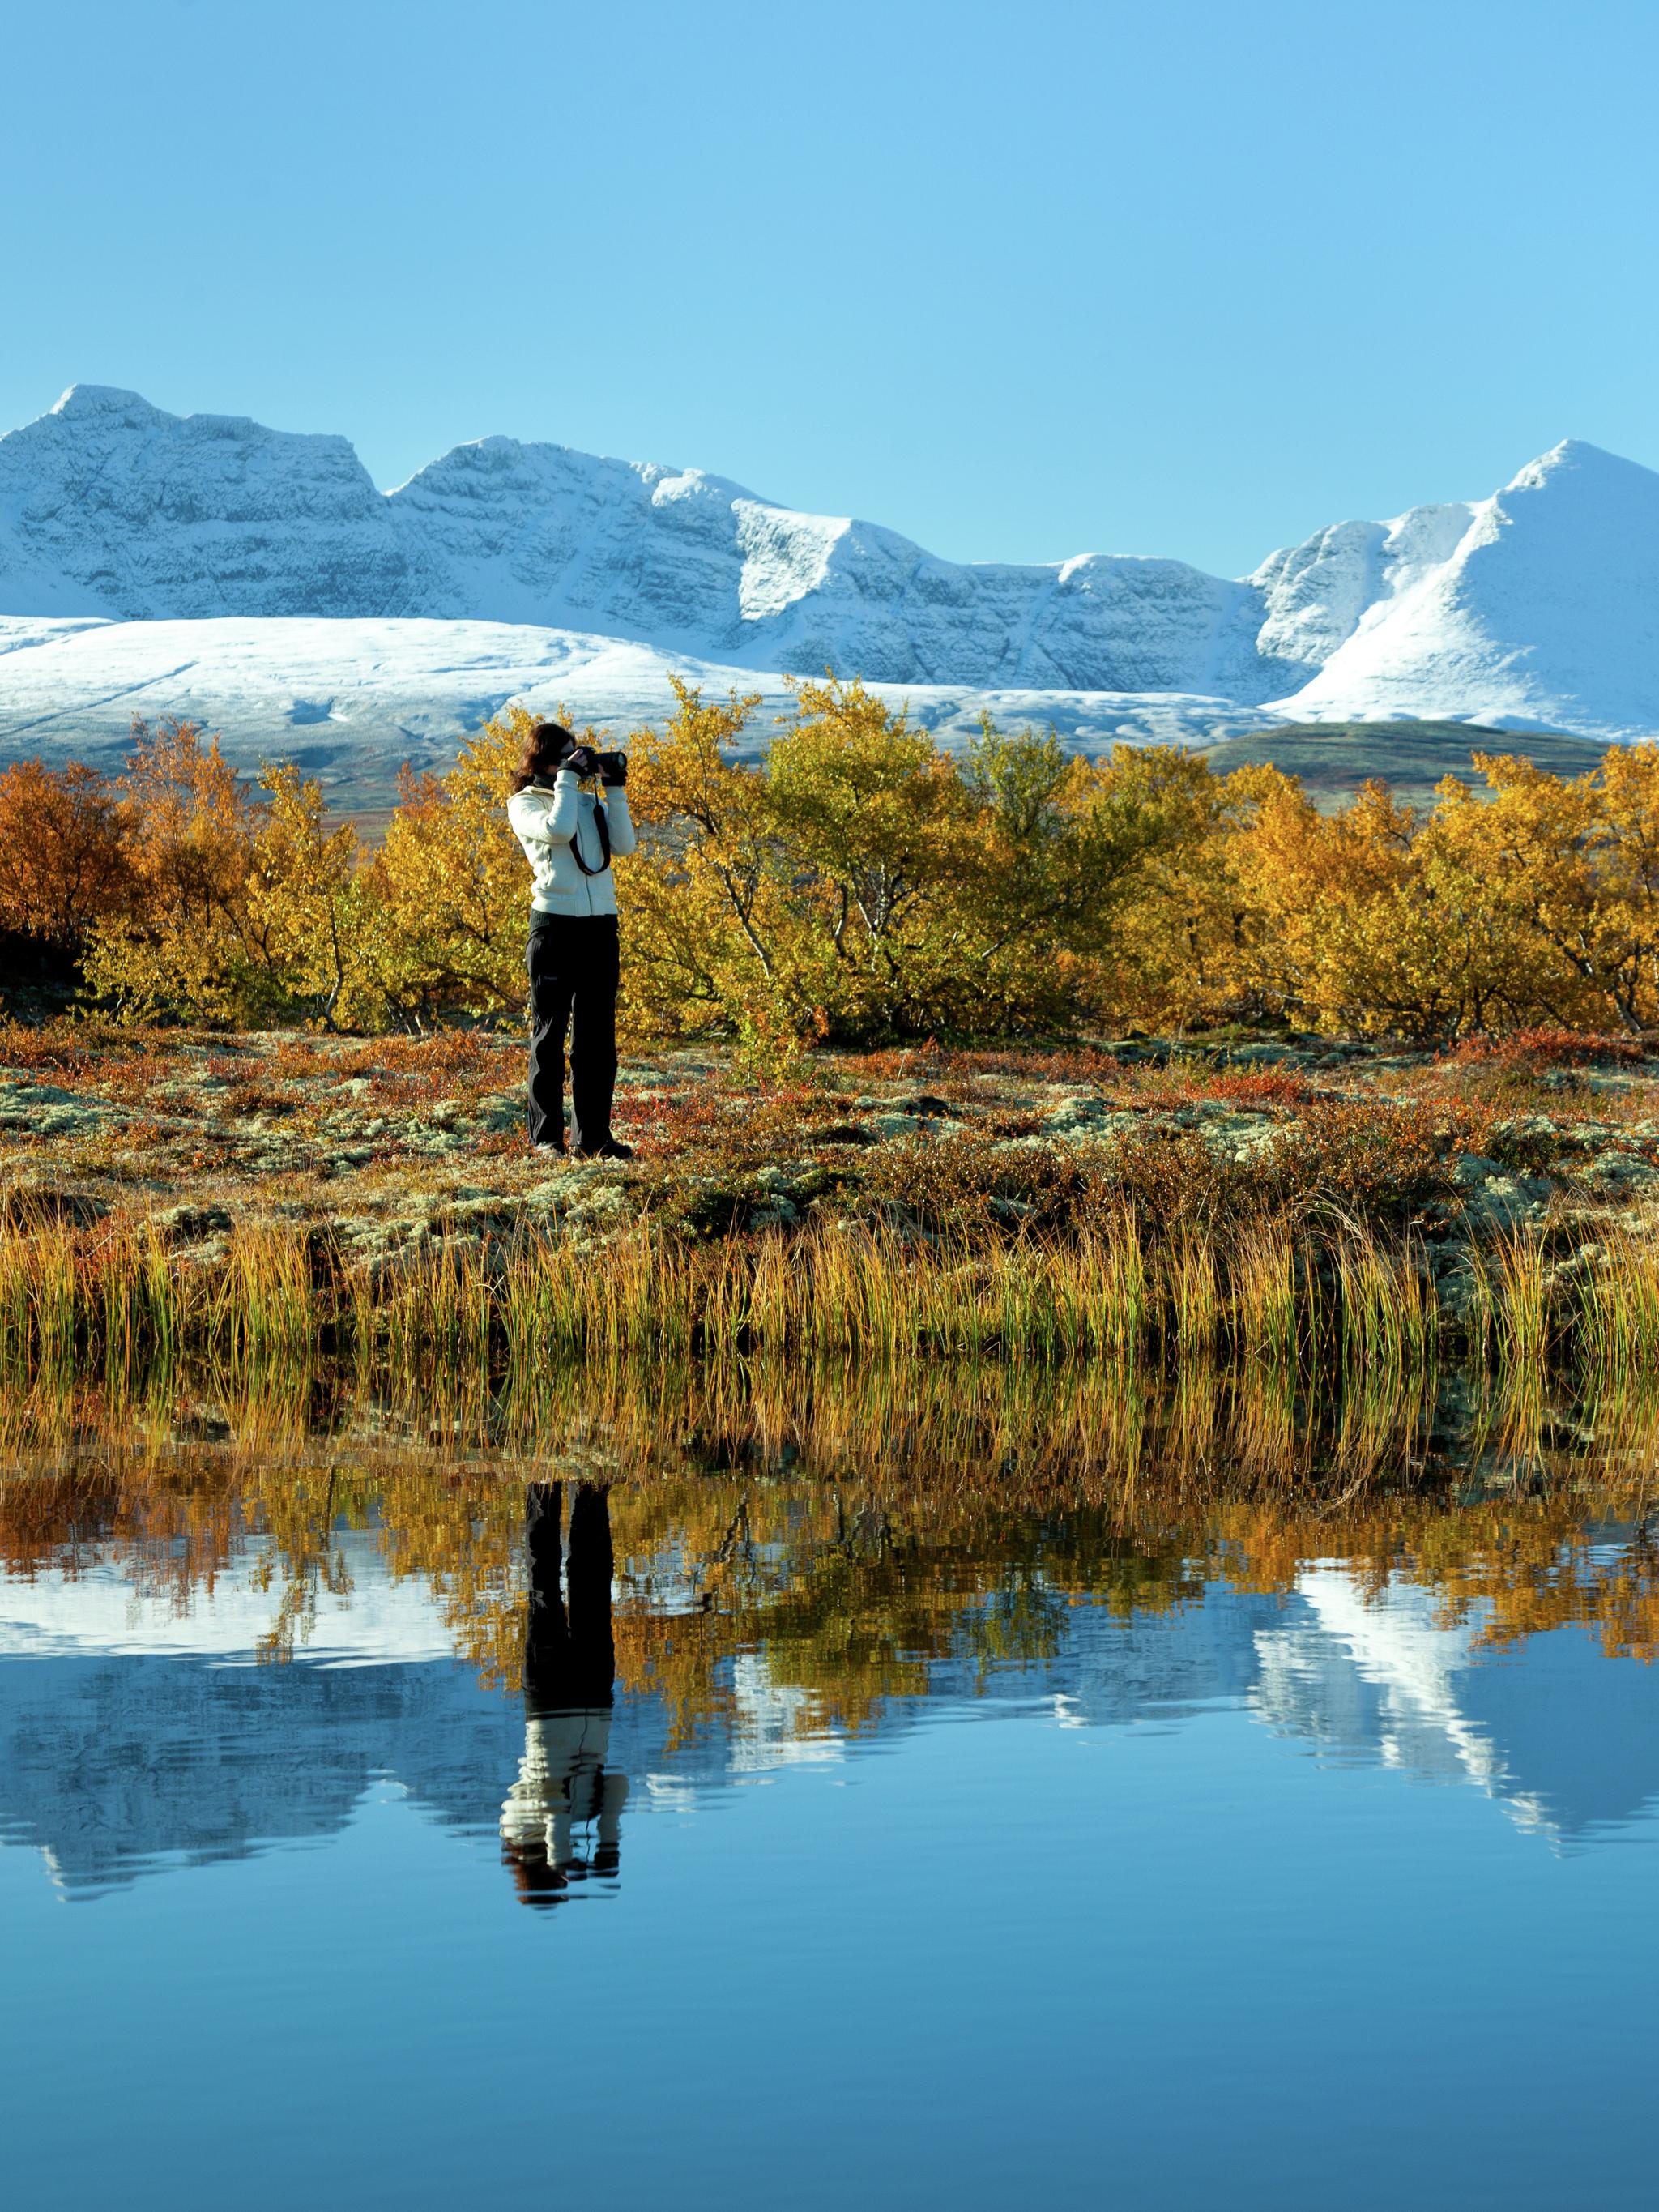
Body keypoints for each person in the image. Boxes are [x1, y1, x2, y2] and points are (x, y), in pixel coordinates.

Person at [506, 720, 638, 1157]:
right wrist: (567, 779)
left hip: (601, 925)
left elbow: (624, 845)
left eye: (578, 754)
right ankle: (546, 1140)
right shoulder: (524, 804)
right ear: (543, 761)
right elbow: (558, 831)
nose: (577, 761)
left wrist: (613, 790)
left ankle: (594, 1139)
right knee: (549, 1035)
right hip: (554, 926)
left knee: (597, 1040)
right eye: (567, 755)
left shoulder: (583, 802)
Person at [500, 1480, 628, 1906]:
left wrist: (562, 1853)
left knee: (544, 1576)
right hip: (595, 1692)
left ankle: (541, 1479)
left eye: (558, 1881)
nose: (566, 1877)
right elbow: (620, 1784)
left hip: (550, 1697)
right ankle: (593, 1486)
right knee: (593, 1577)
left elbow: (552, 1796)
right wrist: (607, 1843)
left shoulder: (514, 1828)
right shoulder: (587, 1815)